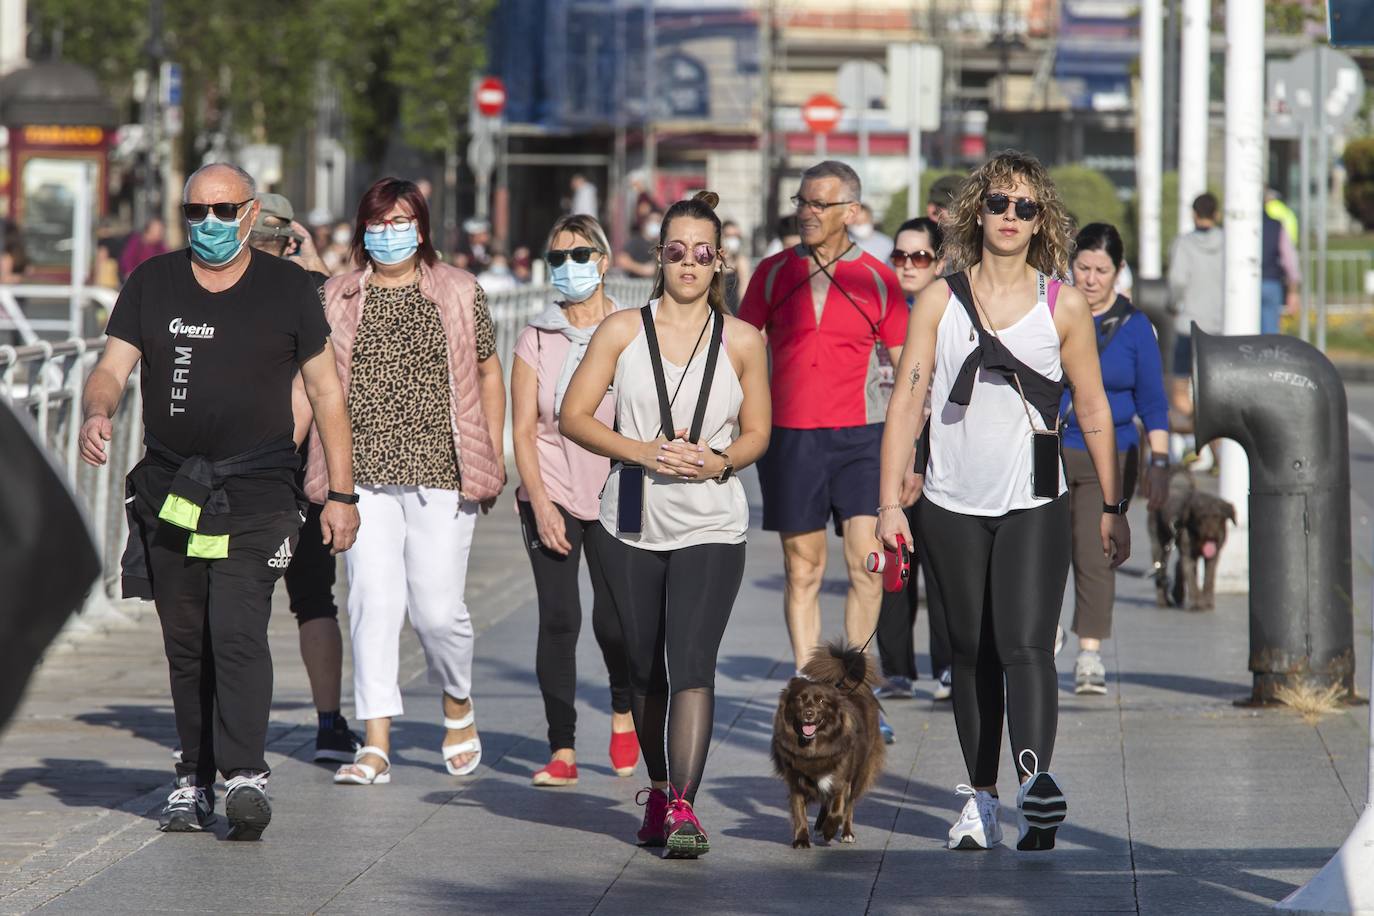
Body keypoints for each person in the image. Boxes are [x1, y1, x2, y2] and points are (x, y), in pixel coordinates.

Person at [79, 162, 360, 839]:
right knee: (186, 639)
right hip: (172, 492)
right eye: (196, 213)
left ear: (250, 211)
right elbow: (112, 367)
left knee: (236, 628)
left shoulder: (291, 290)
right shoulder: (153, 283)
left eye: (223, 211)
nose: (209, 224)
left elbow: (326, 393)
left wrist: (341, 496)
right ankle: (192, 775)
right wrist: (96, 411)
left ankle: (243, 776)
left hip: (259, 493)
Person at [877, 150, 1129, 853]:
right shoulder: (940, 299)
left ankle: (1033, 787)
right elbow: (907, 400)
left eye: (1024, 206)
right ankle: (981, 799)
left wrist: (1112, 504)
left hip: (1034, 497)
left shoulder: (1064, 304)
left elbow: (1095, 410)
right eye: (997, 203)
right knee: (970, 651)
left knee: (1025, 646)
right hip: (952, 500)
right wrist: (890, 502)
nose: (1009, 217)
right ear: (975, 212)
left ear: (1040, 218)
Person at [560, 191, 770, 858]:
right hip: (633, 516)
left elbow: (761, 431)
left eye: (702, 252)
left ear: (720, 262)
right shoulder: (622, 330)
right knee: (643, 668)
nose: (689, 262)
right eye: (676, 250)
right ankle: (657, 787)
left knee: (692, 664)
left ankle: (683, 803)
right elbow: (575, 415)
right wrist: (642, 450)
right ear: (659, 256)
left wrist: (721, 458)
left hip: (712, 520)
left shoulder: (744, 340)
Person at [318, 177, 506, 787]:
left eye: (401, 222)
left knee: (436, 611)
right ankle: (375, 740)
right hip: (363, 473)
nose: (389, 233)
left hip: (442, 471)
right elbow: (315, 386)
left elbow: (487, 369)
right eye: (377, 223)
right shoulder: (338, 296)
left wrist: (493, 451)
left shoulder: (457, 291)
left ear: (422, 228)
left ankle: (457, 700)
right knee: (372, 604)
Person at [737, 161, 907, 682]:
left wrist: (914, 451)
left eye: (819, 204)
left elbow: (906, 372)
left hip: (862, 435)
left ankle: (854, 689)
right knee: (803, 568)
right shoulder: (773, 272)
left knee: (866, 566)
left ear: (851, 212)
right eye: (802, 202)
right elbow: (740, 350)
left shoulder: (879, 278)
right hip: (790, 438)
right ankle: (812, 687)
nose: (807, 212)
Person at [512, 214, 637, 787]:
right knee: (560, 618)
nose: (569, 267)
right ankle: (561, 748)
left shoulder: (634, 328)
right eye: (557, 258)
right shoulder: (535, 334)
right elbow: (522, 429)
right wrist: (538, 501)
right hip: (552, 487)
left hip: (619, 487)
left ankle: (622, 707)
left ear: (605, 262)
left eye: (581, 255)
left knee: (617, 622)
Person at [246, 193, 361, 763]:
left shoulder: (224, 287)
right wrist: (312, 257)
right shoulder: (311, 291)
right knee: (314, 598)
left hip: (252, 468)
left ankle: (236, 727)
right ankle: (329, 723)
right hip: (300, 471)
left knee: (238, 602)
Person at [1062, 223, 1168, 695]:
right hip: (1049, 449)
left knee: (1094, 555)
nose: (1089, 278)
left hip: (1110, 455)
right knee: (1038, 553)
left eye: (1101, 270)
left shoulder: (1135, 327)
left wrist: (1160, 463)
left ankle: (1089, 653)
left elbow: (1153, 402)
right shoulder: (1054, 313)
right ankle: (1037, 638)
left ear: (1118, 271)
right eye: (1082, 267)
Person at [873, 217, 953, 707]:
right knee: (894, 565)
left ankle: (947, 665)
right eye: (898, 256)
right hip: (882, 451)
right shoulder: (879, 309)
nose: (906, 265)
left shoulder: (948, 314)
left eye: (918, 257)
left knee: (943, 570)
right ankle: (897, 668)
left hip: (938, 455)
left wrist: (919, 457)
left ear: (938, 262)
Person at [1166, 192, 1224, 469]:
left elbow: (1177, 280)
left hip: (1188, 325)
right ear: (1217, 214)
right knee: (1215, 394)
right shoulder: (1229, 243)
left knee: (1179, 390)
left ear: (1193, 213)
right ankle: (1217, 450)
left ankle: (1199, 438)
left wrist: (1174, 303)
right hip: (1219, 328)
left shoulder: (1184, 244)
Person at [1260, 208, 1302, 336]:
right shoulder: (1276, 226)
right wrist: (1293, 291)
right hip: (1270, 282)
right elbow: (1289, 260)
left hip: (1242, 286)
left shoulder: (1235, 225)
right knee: (1270, 335)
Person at [616, 209, 662, 279]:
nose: (655, 224)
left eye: (658, 221)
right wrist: (642, 269)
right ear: (646, 223)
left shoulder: (661, 243)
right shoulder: (636, 242)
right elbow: (621, 260)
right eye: (653, 221)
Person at [721, 219, 752, 312]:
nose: (733, 239)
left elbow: (744, 289)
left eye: (736, 236)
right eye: (729, 236)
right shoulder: (715, 260)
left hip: (733, 311)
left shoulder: (741, 261)